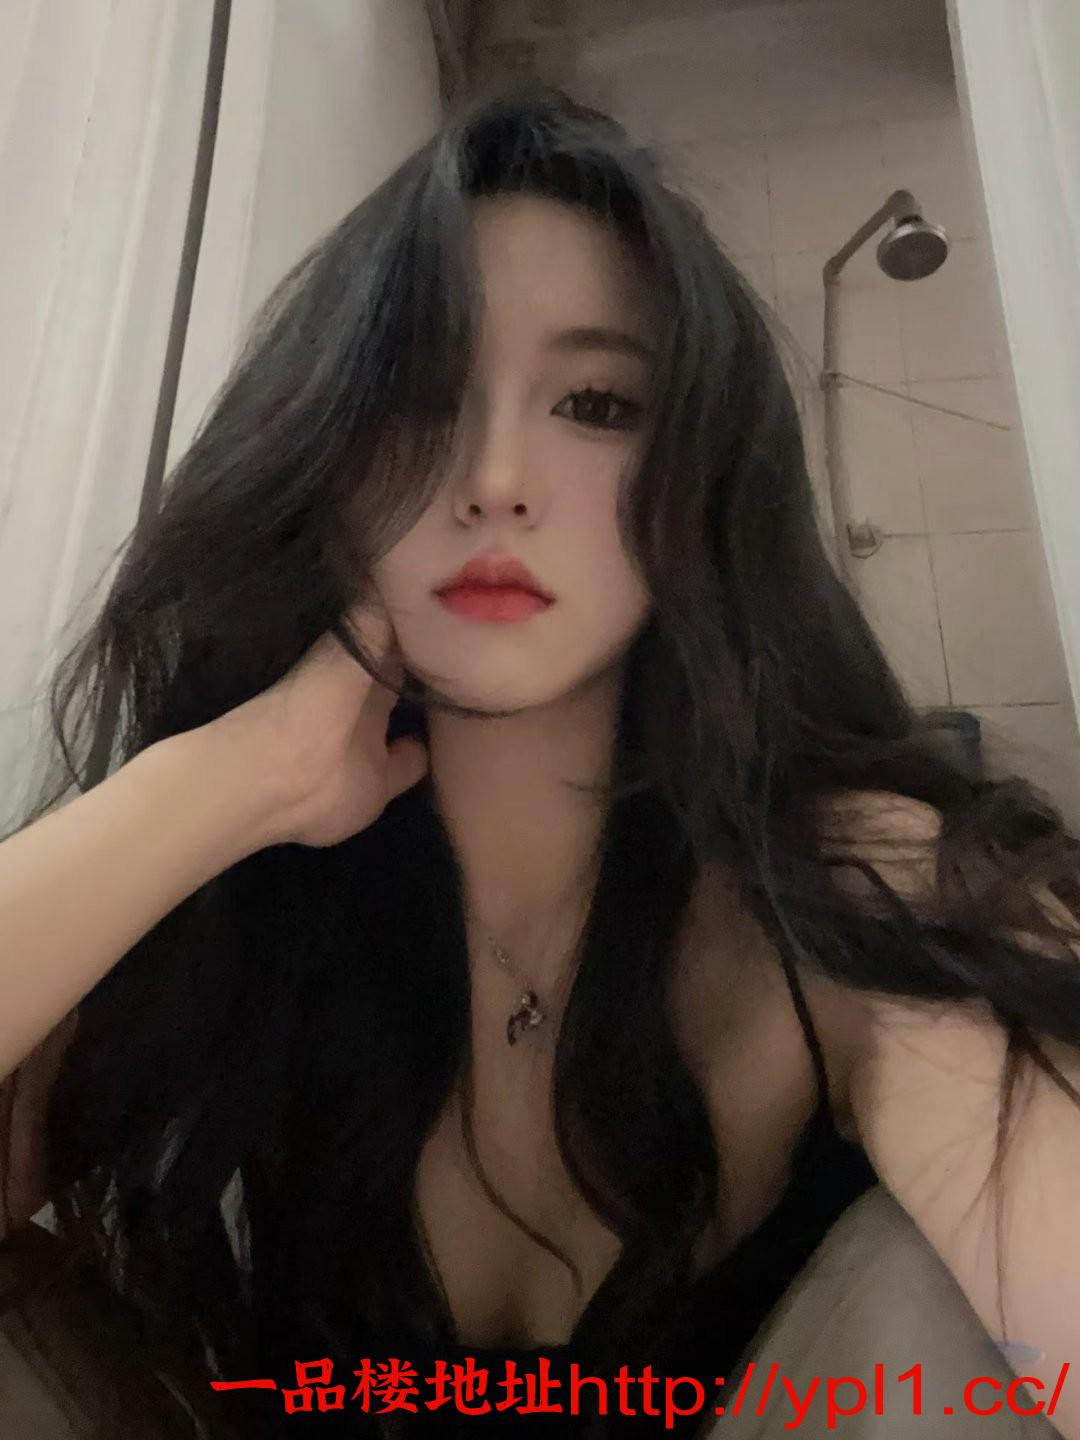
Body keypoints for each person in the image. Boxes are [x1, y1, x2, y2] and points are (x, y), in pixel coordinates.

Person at [0, 76, 1078, 1440]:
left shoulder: (850, 886)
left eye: (596, 403)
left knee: (940, 1314)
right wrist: (226, 781)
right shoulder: (237, 909)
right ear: (322, 459)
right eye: (418, 400)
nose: (495, 478)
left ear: (697, 476)